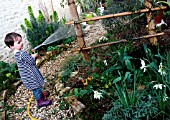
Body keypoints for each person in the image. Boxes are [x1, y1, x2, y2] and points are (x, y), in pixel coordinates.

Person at [4, 32, 52, 108]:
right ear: (11, 46)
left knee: (36, 87)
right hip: (30, 75)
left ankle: (41, 94)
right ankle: (40, 101)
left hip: (27, 75)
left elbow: (26, 61)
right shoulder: (21, 54)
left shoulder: (17, 53)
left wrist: (30, 56)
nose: (22, 43)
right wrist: (34, 56)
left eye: (21, 40)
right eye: (19, 42)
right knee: (36, 88)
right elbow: (31, 61)